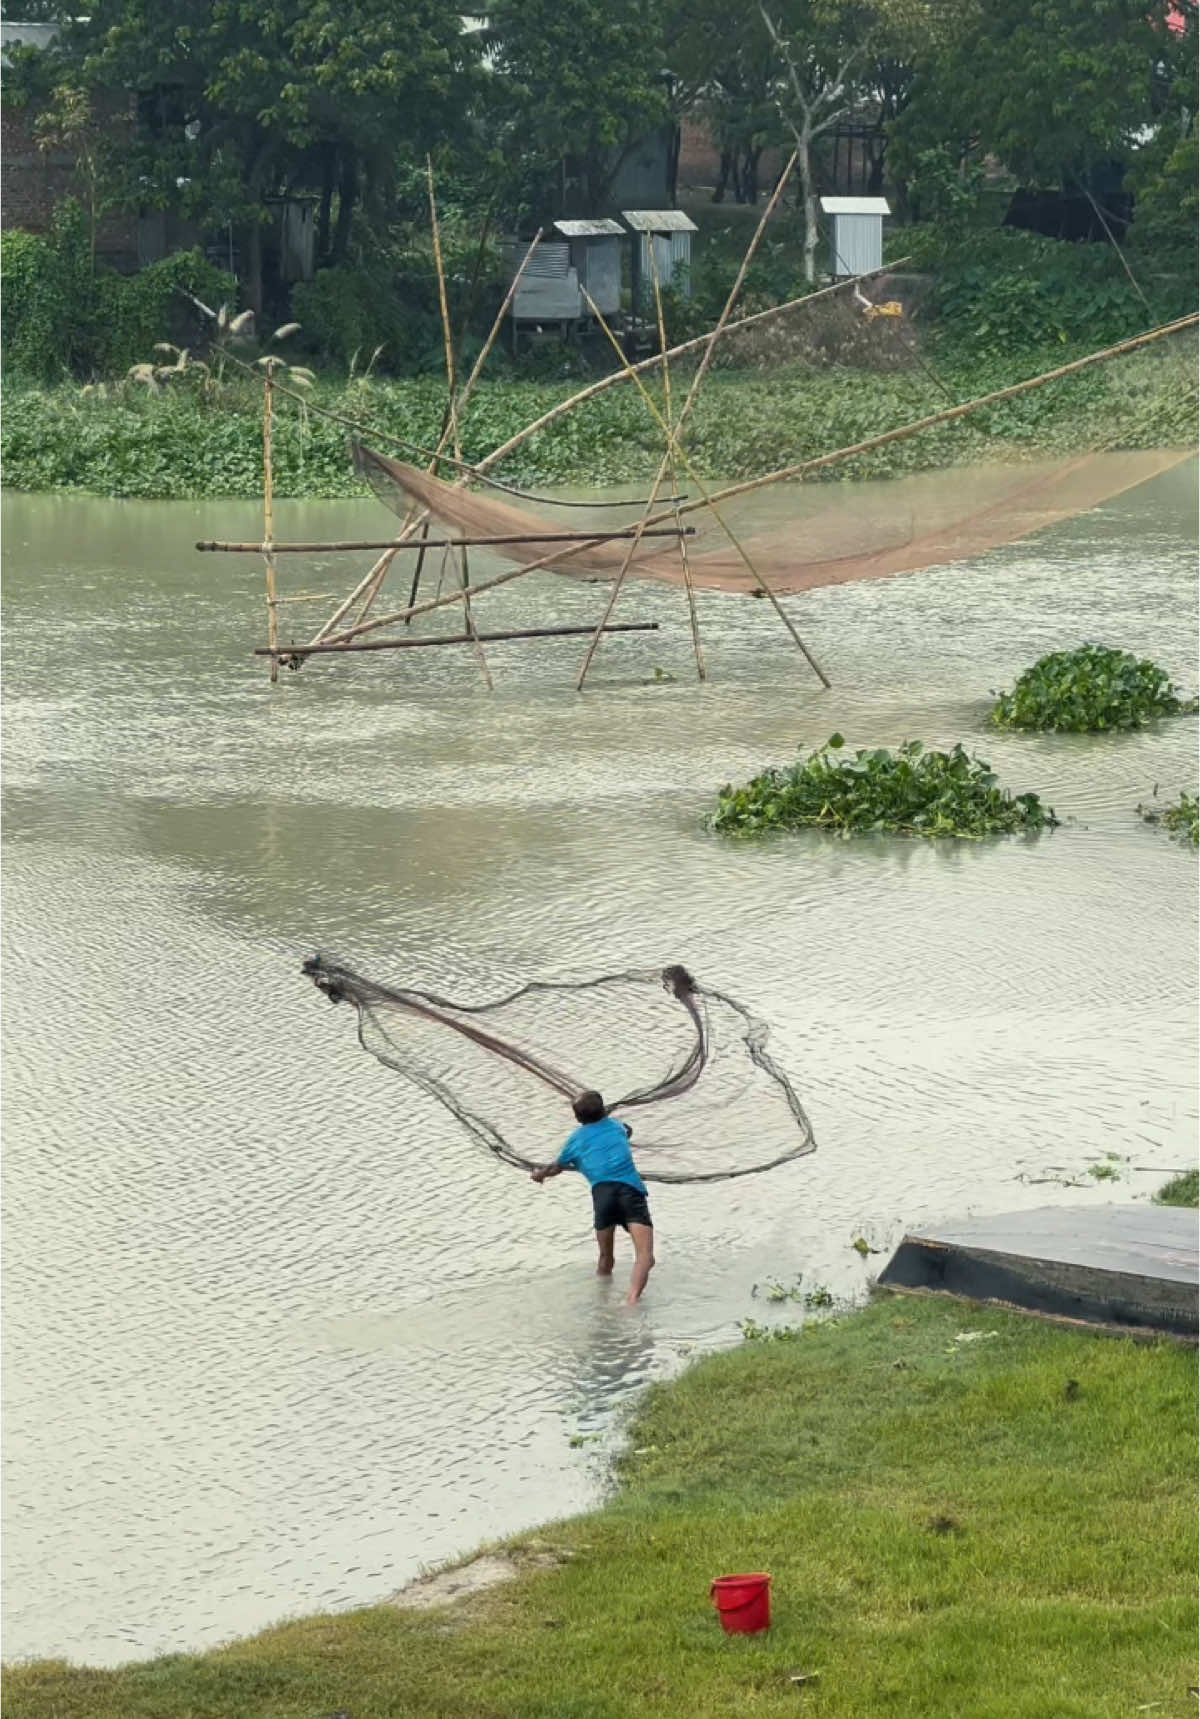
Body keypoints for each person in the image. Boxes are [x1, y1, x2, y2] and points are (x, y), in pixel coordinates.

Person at [531, 1090, 655, 1305]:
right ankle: (632, 1301)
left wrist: (538, 1175)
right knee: (645, 1256)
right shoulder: (617, 1127)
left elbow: (555, 1167)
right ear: (603, 1110)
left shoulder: (575, 1141)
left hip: (603, 1196)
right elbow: (628, 1130)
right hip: (630, 1192)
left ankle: (601, 1301)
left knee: (605, 1258)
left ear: (578, 1118)